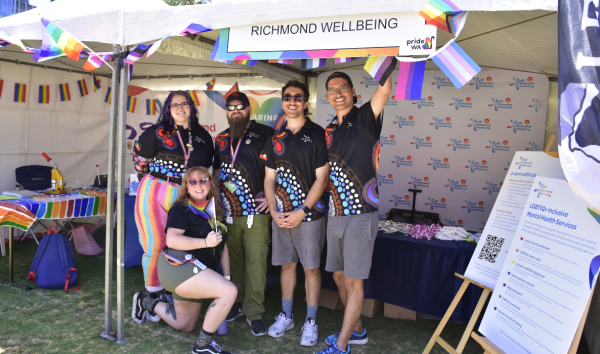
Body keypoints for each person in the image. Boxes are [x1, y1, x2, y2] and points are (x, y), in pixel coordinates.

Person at [317, 72, 391, 354]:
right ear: (327, 97)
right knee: (338, 277)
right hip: (334, 213)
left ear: (353, 92)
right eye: (332, 89)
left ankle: (342, 344)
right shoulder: (328, 130)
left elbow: (384, 90)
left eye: (343, 88)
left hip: (361, 214)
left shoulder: (365, 118)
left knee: (353, 280)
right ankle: (357, 330)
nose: (338, 93)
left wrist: (387, 56)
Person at [132, 166, 236, 354]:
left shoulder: (215, 209)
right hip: (178, 265)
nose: (198, 185)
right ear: (186, 186)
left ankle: (146, 302)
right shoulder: (181, 207)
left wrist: (226, 277)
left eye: (203, 180)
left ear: (210, 183)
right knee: (229, 292)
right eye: (193, 181)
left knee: (185, 324)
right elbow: (172, 240)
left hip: (196, 271)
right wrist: (205, 242)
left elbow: (223, 246)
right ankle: (203, 346)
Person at [259, 80, 329, 347]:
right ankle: (286, 316)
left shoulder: (318, 133)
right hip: (282, 216)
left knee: (310, 268)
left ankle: (311, 321)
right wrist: (274, 211)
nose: (292, 101)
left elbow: (321, 179)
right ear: (282, 100)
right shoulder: (275, 137)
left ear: (306, 102)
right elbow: (268, 180)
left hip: (309, 215)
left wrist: (303, 210)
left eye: (297, 97)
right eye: (287, 97)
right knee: (287, 265)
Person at [132, 91, 214, 312]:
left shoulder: (202, 136)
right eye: (174, 105)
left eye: (184, 104)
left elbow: (204, 168)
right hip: (155, 190)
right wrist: (149, 181)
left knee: (179, 243)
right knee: (155, 244)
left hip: (186, 195)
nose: (180, 108)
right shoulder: (157, 132)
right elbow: (139, 157)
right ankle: (152, 295)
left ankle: (171, 290)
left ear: (191, 107)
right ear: (168, 109)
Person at [212, 92, 274, 336]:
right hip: (228, 212)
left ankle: (255, 313)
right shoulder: (221, 138)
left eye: (240, 106)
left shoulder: (266, 134)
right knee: (234, 261)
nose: (235, 110)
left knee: (256, 262)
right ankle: (236, 304)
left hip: (256, 213)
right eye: (231, 107)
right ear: (227, 112)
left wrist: (274, 198)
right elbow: (216, 171)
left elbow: (279, 167)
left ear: (249, 109)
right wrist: (217, 202)